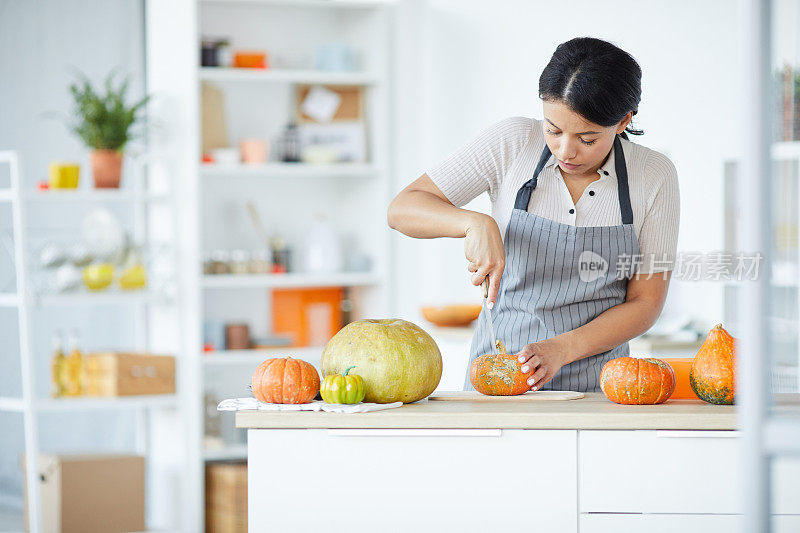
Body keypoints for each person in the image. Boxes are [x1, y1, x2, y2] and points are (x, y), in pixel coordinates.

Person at [387, 37, 680, 392]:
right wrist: (474, 221)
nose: (565, 151)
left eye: (587, 138)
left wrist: (562, 348)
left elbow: (645, 303)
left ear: (623, 122)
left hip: (600, 388)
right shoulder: (512, 142)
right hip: (500, 378)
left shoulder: (654, 174)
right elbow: (403, 208)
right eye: (553, 130)